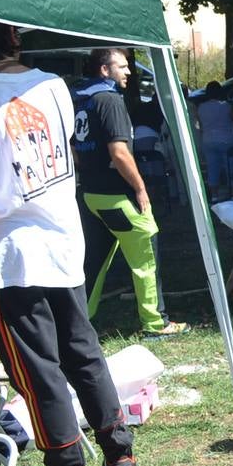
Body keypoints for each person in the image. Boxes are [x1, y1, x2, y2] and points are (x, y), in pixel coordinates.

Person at [0, 18, 139, 466]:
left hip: (13, 254)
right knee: (83, 351)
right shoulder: (54, 85)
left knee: (37, 368)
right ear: (14, 39)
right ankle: (119, 454)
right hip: (63, 238)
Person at [72, 48, 189, 337]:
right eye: (122, 67)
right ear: (104, 70)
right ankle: (155, 322)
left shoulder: (80, 99)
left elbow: (74, 147)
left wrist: (90, 170)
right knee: (146, 258)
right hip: (118, 196)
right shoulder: (110, 100)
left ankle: (77, 323)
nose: (128, 72)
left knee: (93, 263)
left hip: (90, 195)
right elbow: (120, 151)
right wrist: (140, 188)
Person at [196, 81, 233, 201]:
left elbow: (200, 122)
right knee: (231, 167)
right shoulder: (226, 106)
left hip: (208, 139)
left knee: (212, 167)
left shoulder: (201, 107)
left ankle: (214, 195)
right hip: (226, 140)